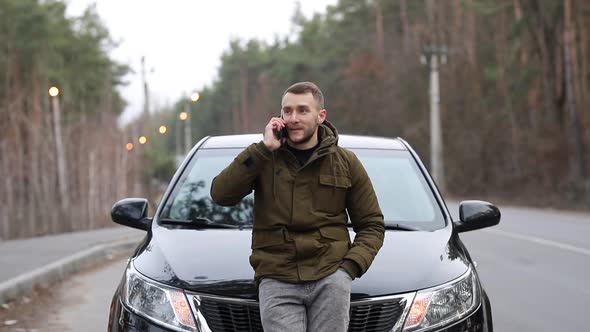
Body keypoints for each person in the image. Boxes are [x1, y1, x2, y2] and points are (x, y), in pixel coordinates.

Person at [210, 82, 384, 332]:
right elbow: (221, 194)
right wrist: (262, 149)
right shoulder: (263, 157)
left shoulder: (345, 162)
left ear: (320, 116)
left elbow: (372, 224)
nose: (293, 118)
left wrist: (348, 268)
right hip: (277, 276)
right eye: (287, 111)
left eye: (302, 110)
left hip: (330, 277)